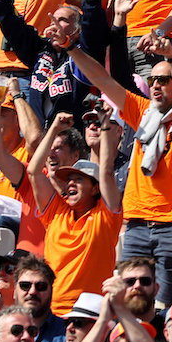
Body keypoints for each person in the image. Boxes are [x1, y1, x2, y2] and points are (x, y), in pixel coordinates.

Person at [26, 112, 123, 313]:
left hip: (91, 314)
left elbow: (105, 171)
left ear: (95, 188)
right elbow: (34, 171)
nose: (70, 183)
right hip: (52, 313)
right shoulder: (56, 212)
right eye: (69, 179)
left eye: (78, 179)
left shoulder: (106, 217)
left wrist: (104, 127)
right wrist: (54, 129)